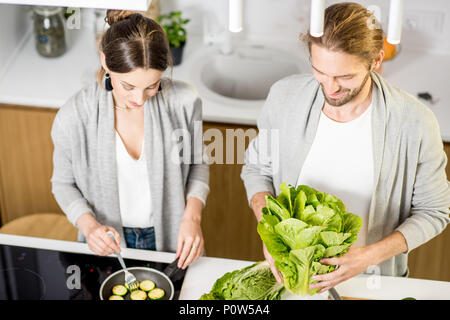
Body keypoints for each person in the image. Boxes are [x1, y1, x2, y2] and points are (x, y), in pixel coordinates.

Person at [241, 2, 450, 293]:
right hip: (293, 277)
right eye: (320, 72)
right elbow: (257, 169)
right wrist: (272, 232)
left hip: (372, 283)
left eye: (345, 77)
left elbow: (434, 211)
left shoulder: (414, 122)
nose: (330, 87)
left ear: (376, 60)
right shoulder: (284, 97)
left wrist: (367, 257)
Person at [51, 10, 210, 269]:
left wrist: (192, 218)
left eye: (152, 86)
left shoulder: (184, 101)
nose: (139, 99)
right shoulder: (74, 116)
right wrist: (89, 227)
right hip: (107, 244)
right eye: (128, 86)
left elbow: (198, 164)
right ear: (105, 61)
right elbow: (62, 184)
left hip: (173, 238)